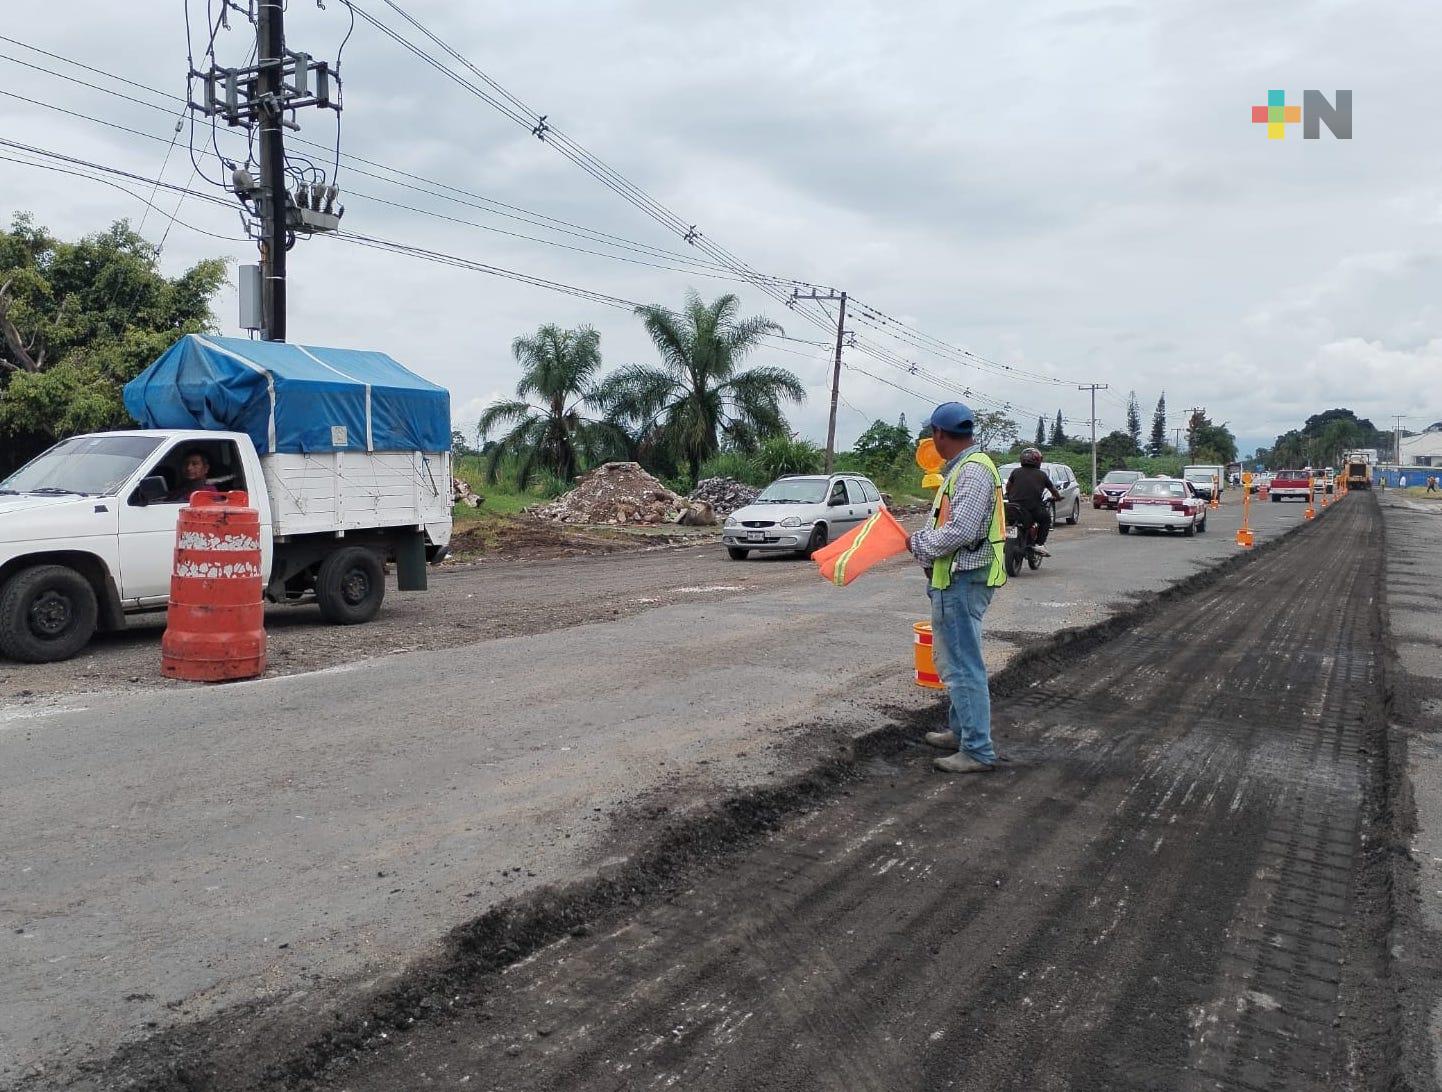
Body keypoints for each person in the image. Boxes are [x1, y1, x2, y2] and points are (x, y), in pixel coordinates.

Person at [908, 401, 1008, 775]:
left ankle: (977, 749)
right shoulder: (966, 469)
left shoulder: (972, 472)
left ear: (938, 434)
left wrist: (918, 544)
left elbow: (962, 531)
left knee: (962, 666)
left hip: (963, 580)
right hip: (960, 577)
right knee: (958, 659)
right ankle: (962, 731)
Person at [1005, 447, 1061, 557]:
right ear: (1037, 460)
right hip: (1033, 508)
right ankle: (1039, 544)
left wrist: (1008, 494)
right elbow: (1053, 490)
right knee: (1046, 519)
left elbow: (1008, 487)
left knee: (1010, 522)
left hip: (1014, 507)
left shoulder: (1015, 472)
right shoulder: (1042, 475)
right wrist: (1058, 497)